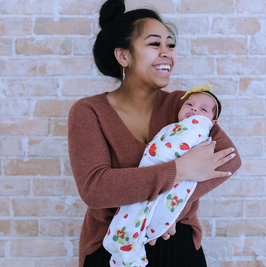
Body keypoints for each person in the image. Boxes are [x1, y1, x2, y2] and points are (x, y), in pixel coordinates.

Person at [67, 0, 242, 266]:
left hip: (176, 239)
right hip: (112, 244)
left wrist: (167, 213)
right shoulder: (89, 112)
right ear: (123, 55)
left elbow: (229, 159)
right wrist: (179, 171)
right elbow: (95, 188)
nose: (167, 53)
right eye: (154, 44)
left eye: (170, 45)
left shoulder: (183, 105)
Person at [103, 85, 222, 267]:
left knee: (139, 220)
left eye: (203, 109)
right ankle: (126, 253)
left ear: (212, 122)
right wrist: (181, 168)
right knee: (132, 218)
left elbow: (171, 151)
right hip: (151, 185)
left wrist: (174, 213)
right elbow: (94, 189)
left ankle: (129, 256)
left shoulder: (197, 128)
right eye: (189, 104)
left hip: (172, 211)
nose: (194, 109)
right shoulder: (175, 126)